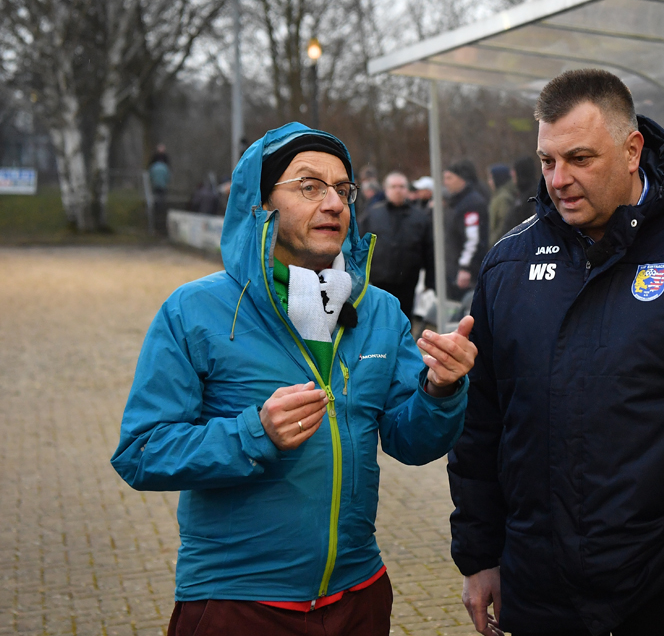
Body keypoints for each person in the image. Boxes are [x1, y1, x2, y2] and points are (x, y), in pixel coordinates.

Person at [451, 69, 664, 636]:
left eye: (580, 158)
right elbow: (481, 420)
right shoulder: (509, 264)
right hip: (536, 583)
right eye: (548, 161)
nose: (559, 179)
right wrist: (481, 554)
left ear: (633, 151)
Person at [111, 122, 476, 635]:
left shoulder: (379, 312)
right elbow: (142, 451)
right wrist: (253, 433)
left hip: (360, 595)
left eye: (343, 189)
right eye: (309, 186)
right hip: (238, 601)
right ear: (259, 204)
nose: (334, 204)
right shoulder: (196, 310)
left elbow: (411, 441)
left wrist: (441, 389)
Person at [359, 170, 434, 317]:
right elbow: (361, 245)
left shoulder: (419, 217)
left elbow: (429, 250)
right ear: (386, 190)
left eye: (401, 186)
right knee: (380, 319)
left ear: (407, 189)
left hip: (408, 281)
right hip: (378, 280)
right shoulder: (373, 214)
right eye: (394, 187)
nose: (398, 190)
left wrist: (430, 281)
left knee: (403, 319)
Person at [443, 160, 489, 300]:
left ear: (461, 178)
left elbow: (473, 239)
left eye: (449, 178)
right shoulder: (458, 202)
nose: (446, 182)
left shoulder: (471, 204)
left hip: (464, 274)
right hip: (454, 268)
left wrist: (465, 268)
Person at [498, 155, 540, 236]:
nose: (512, 174)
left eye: (514, 171)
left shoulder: (533, 196)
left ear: (521, 173)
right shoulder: (521, 194)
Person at [487, 163, 517, 246]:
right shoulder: (497, 196)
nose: (489, 182)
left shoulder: (503, 198)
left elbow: (503, 224)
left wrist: (493, 241)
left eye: (491, 178)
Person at [149, 144, 171, 235]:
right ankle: (159, 206)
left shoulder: (155, 166)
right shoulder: (163, 166)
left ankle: (159, 206)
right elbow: (168, 176)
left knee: (158, 196)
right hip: (161, 185)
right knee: (160, 196)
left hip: (157, 184)